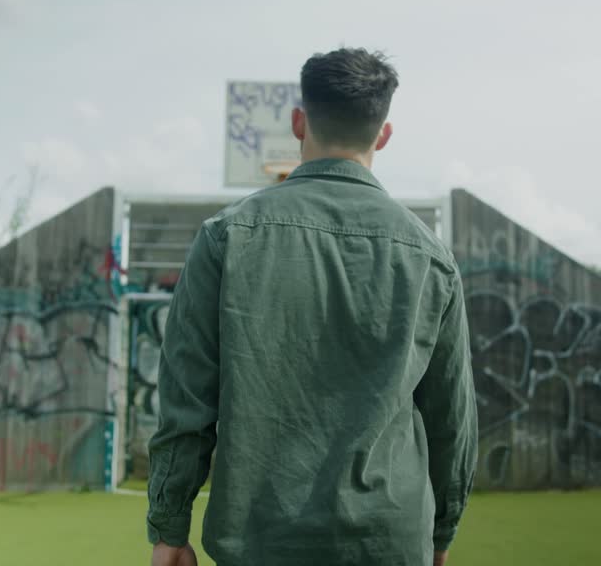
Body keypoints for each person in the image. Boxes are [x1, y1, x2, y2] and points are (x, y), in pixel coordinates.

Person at [146, 48, 478, 566]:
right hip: (390, 542)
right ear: (383, 134)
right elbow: (452, 418)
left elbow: (186, 401)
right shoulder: (431, 257)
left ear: (299, 122)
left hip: (259, 540)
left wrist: (169, 527)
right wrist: (442, 534)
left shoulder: (226, 238)